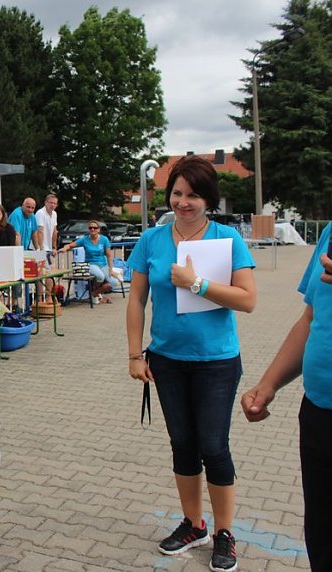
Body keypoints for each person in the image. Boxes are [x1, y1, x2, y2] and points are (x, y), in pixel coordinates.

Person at [125, 155, 256, 572]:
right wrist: (134, 354)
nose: (183, 202)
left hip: (216, 362)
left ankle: (225, 532)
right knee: (182, 445)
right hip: (166, 360)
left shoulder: (226, 238)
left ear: (208, 199)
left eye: (193, 195)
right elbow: (136, 299)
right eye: (177, 193)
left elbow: (248, 300)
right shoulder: (152, 239)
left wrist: (196, 283)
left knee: (213, 447)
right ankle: (193, 524)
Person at [240, 222, 332, 571]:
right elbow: (311, 317)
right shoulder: (331, 232)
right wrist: (269, 384)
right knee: (322, 539)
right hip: (319, 412)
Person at [59, 220, 120, 303]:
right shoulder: (85, 239)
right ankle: (96, 294)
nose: (92, 229)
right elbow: (70, 245)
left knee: (114, 283)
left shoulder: (104, 239)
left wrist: (111, 269)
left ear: (99, 230)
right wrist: (65, 248)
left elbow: (109, 255)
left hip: (103, 264)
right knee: (100, 276)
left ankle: (95, 293)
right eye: (90, 228)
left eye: (95, 228)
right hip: (91, 264)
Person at [35, 194, 59, 265]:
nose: (52, 205)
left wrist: (54, 247)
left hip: (48, 248)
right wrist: (41, 249)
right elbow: (39, 232)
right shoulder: (40, 213)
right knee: (44, 268)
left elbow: (55, 231)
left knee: (49, 268)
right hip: (39, 248)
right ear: (45, 202)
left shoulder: (54, 214)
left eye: (54, 203)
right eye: (51, 202)